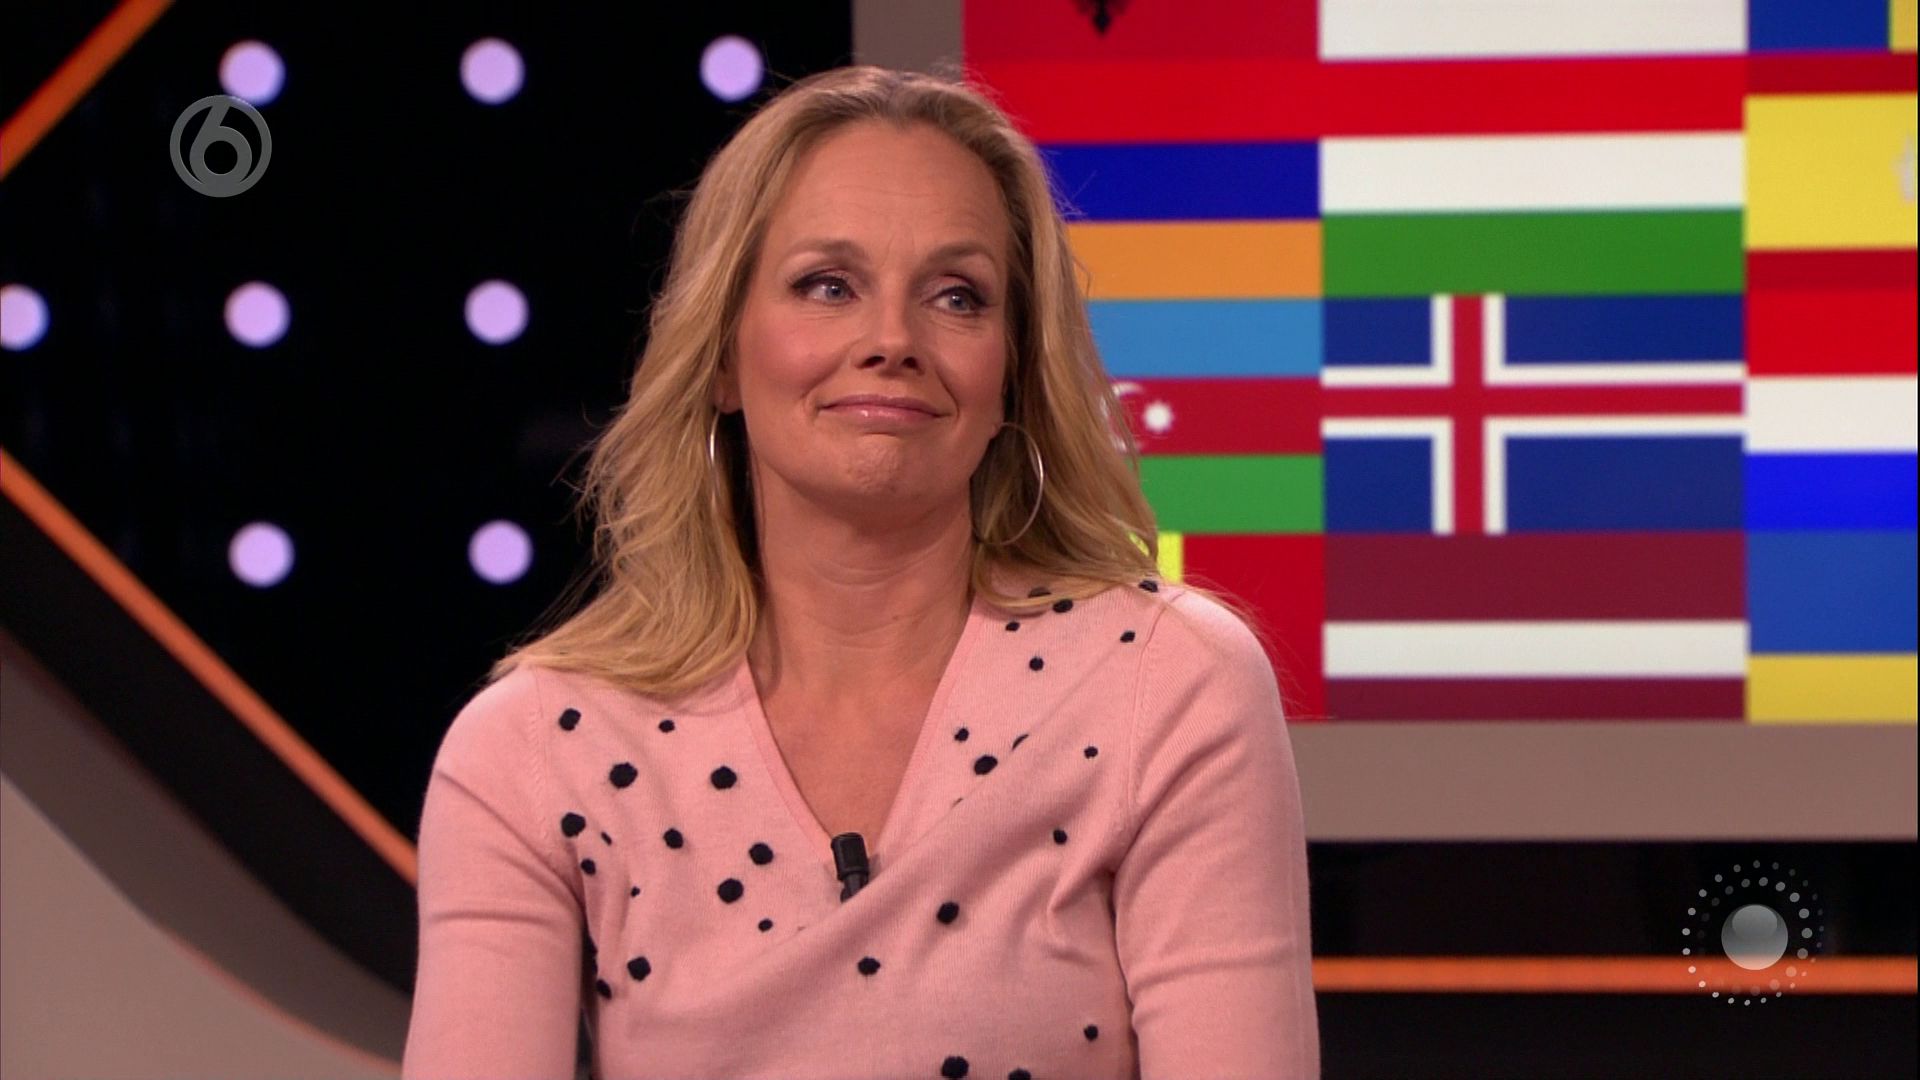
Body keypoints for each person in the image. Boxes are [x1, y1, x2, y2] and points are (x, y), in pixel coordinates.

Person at [402, 63, 1319, 1080]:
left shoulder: (1168, 685)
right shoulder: (536, 749)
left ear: (1013, 372)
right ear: (722, 355)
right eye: (827, 286)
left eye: (957, 297)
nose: (892, 341)